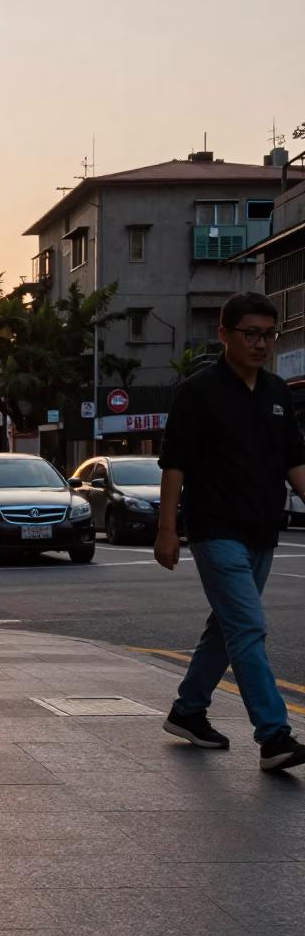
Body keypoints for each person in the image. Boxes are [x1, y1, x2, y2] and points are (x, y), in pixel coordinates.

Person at [155, 291, 305, 771]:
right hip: (215, 529)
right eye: (251, 334)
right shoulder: (199, 392)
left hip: (262, 528)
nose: (262, 344)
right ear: (224, 334)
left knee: (227, 625)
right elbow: (174, 464)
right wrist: (166, 529)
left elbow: (294, 461)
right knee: (247, 627)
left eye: (269, 334)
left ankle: (188, 710)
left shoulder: (278, 392)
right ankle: (274, 736)